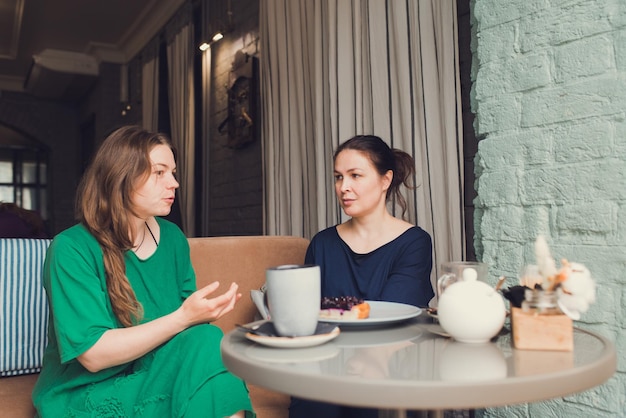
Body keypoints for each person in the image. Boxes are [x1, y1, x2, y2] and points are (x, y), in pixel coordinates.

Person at [32, 126, 254, 418]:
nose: (174, 183)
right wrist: (184, 316)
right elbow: (93, 355)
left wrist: (198, 316)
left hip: (153, 372)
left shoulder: (173, 238)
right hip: (88, 388)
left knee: (209, 340)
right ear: (121, 177)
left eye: (173, 173)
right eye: (159, 172)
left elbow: (188, 335)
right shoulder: (71, 248)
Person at [289, 135, 434, 418]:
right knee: (315, 400)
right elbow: (306, 320)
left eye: (355, 175)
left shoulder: (414, 242)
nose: (344, 187)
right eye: (338, 177)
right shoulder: (322, 243)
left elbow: (392, 319)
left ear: (385, 180)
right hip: (325, 370)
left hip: (384, 366)